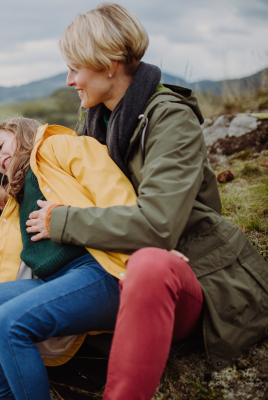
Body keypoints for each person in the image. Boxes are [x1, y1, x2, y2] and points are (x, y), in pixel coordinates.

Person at [23, 3, 268, 399]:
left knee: (150, 264)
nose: (68, 80)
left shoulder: (171, 120)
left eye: (74, 68)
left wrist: (64, 222)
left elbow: (159, 226)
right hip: (115, 263)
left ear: (109, 63)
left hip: (191, 273)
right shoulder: (97, 119)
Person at [0, 116, 139, 400]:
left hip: (101, 270)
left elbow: (118, 198)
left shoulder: (58, 146)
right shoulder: (18, 193)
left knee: (6, 322)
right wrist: (4, 208)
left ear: (24, 133)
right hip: (59, 280)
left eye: (1, 145)